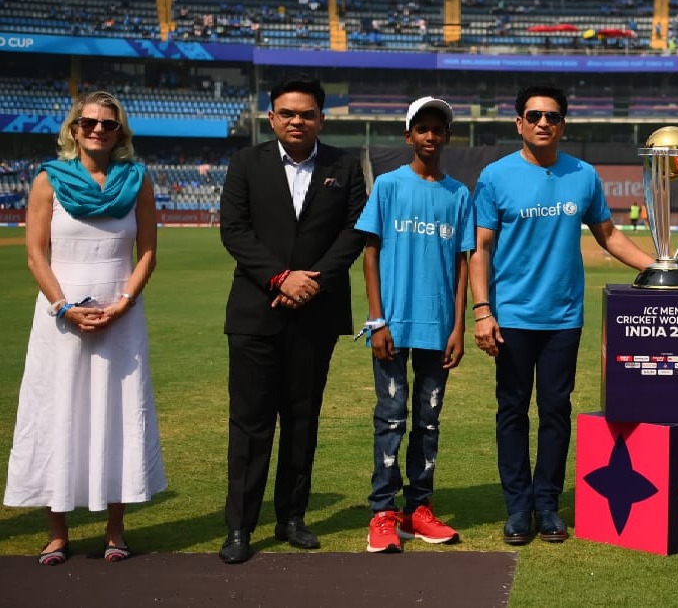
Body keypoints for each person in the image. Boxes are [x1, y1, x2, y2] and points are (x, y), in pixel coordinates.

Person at [471, 83, 653, 545]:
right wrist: (481, 310)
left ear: (563, 124)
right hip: (510, 316)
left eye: (551, 116)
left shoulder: (584, 175)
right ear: (519, 123)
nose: (542, 123)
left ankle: (547, 504)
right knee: (512, 411)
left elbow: (609, 235)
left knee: (555, 411)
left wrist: (659, 267)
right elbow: (480, 248)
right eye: (533, 115)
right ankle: (518, 508)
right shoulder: (495, 176)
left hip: (564, 318)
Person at [4, 91, 164, 565]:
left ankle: (116, 530)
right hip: (60, 316)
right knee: (59, 412)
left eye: (108, 124)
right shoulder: (47, 181)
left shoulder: (138, 182)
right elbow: (35, 254)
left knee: (116, 412)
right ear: (74, 129)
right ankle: (57, 533)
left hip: (122, 312)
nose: (98, 130)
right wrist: (64, 307)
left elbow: (149, 253)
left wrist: (124, 303)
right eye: (89, 122)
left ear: (120, 133)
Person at [218, 76, 367, 564]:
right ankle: (239, 527)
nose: (297, 121)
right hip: (254, 313)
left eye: (306, 114)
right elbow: (234, 230)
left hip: (316, 314)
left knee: (301, 420)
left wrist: (313, 280)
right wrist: (281, 278)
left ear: (321, 118)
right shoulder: (246, 163)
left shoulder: (344, 165)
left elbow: (354, 231)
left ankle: (292, 517)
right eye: (287, 113)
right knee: (250, 422)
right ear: (271, 117)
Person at [357, 96, 474, 554]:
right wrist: (377, 319)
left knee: (428, 423)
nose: (430, 136)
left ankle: (417, 511)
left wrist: (458, 327)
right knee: (391, 419)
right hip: (393, 325)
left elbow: (463, 265)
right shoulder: (388, 186)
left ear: (446, 136)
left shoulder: (459, 194)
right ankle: (382, 514)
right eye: (421, 128)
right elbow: (370, 255)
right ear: (409, 136)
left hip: (439, 327)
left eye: (438, 129)